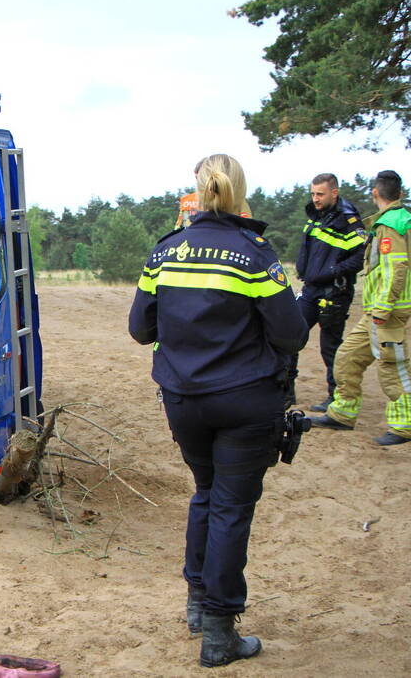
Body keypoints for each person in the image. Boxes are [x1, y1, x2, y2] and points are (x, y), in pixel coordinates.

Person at [129, 154, 307, 668]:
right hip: (246, 401)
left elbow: (141, 329)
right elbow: (291, 334)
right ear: (237, 190)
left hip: (184, 402)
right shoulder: (255, 255)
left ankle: (196, 605)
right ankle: (219, 631)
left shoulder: (165, 252)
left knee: (207, 494)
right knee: (229, 506)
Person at [310, 170, 411, 445]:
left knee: (393, 367)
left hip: (387, 311)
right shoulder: (396, 219)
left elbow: (396, 268)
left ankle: (404, 427)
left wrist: (383, 308)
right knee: (347, 356)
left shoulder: (392, 224)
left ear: (375, 193)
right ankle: (343, 413)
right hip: (375, 311)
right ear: (400, 193)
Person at [285, 173, 367, 410]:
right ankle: (286, 392)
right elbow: (308, 248)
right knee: (291, 335)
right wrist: (304, 269)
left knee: (330, 346)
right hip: (310, 290)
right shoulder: (316, 216)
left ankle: (335, 396)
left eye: (320, 194)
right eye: (313, 193)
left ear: (334, 192)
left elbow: (359, 258)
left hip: (335, 292)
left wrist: (330, 271)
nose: (316, 198)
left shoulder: (348, 220)